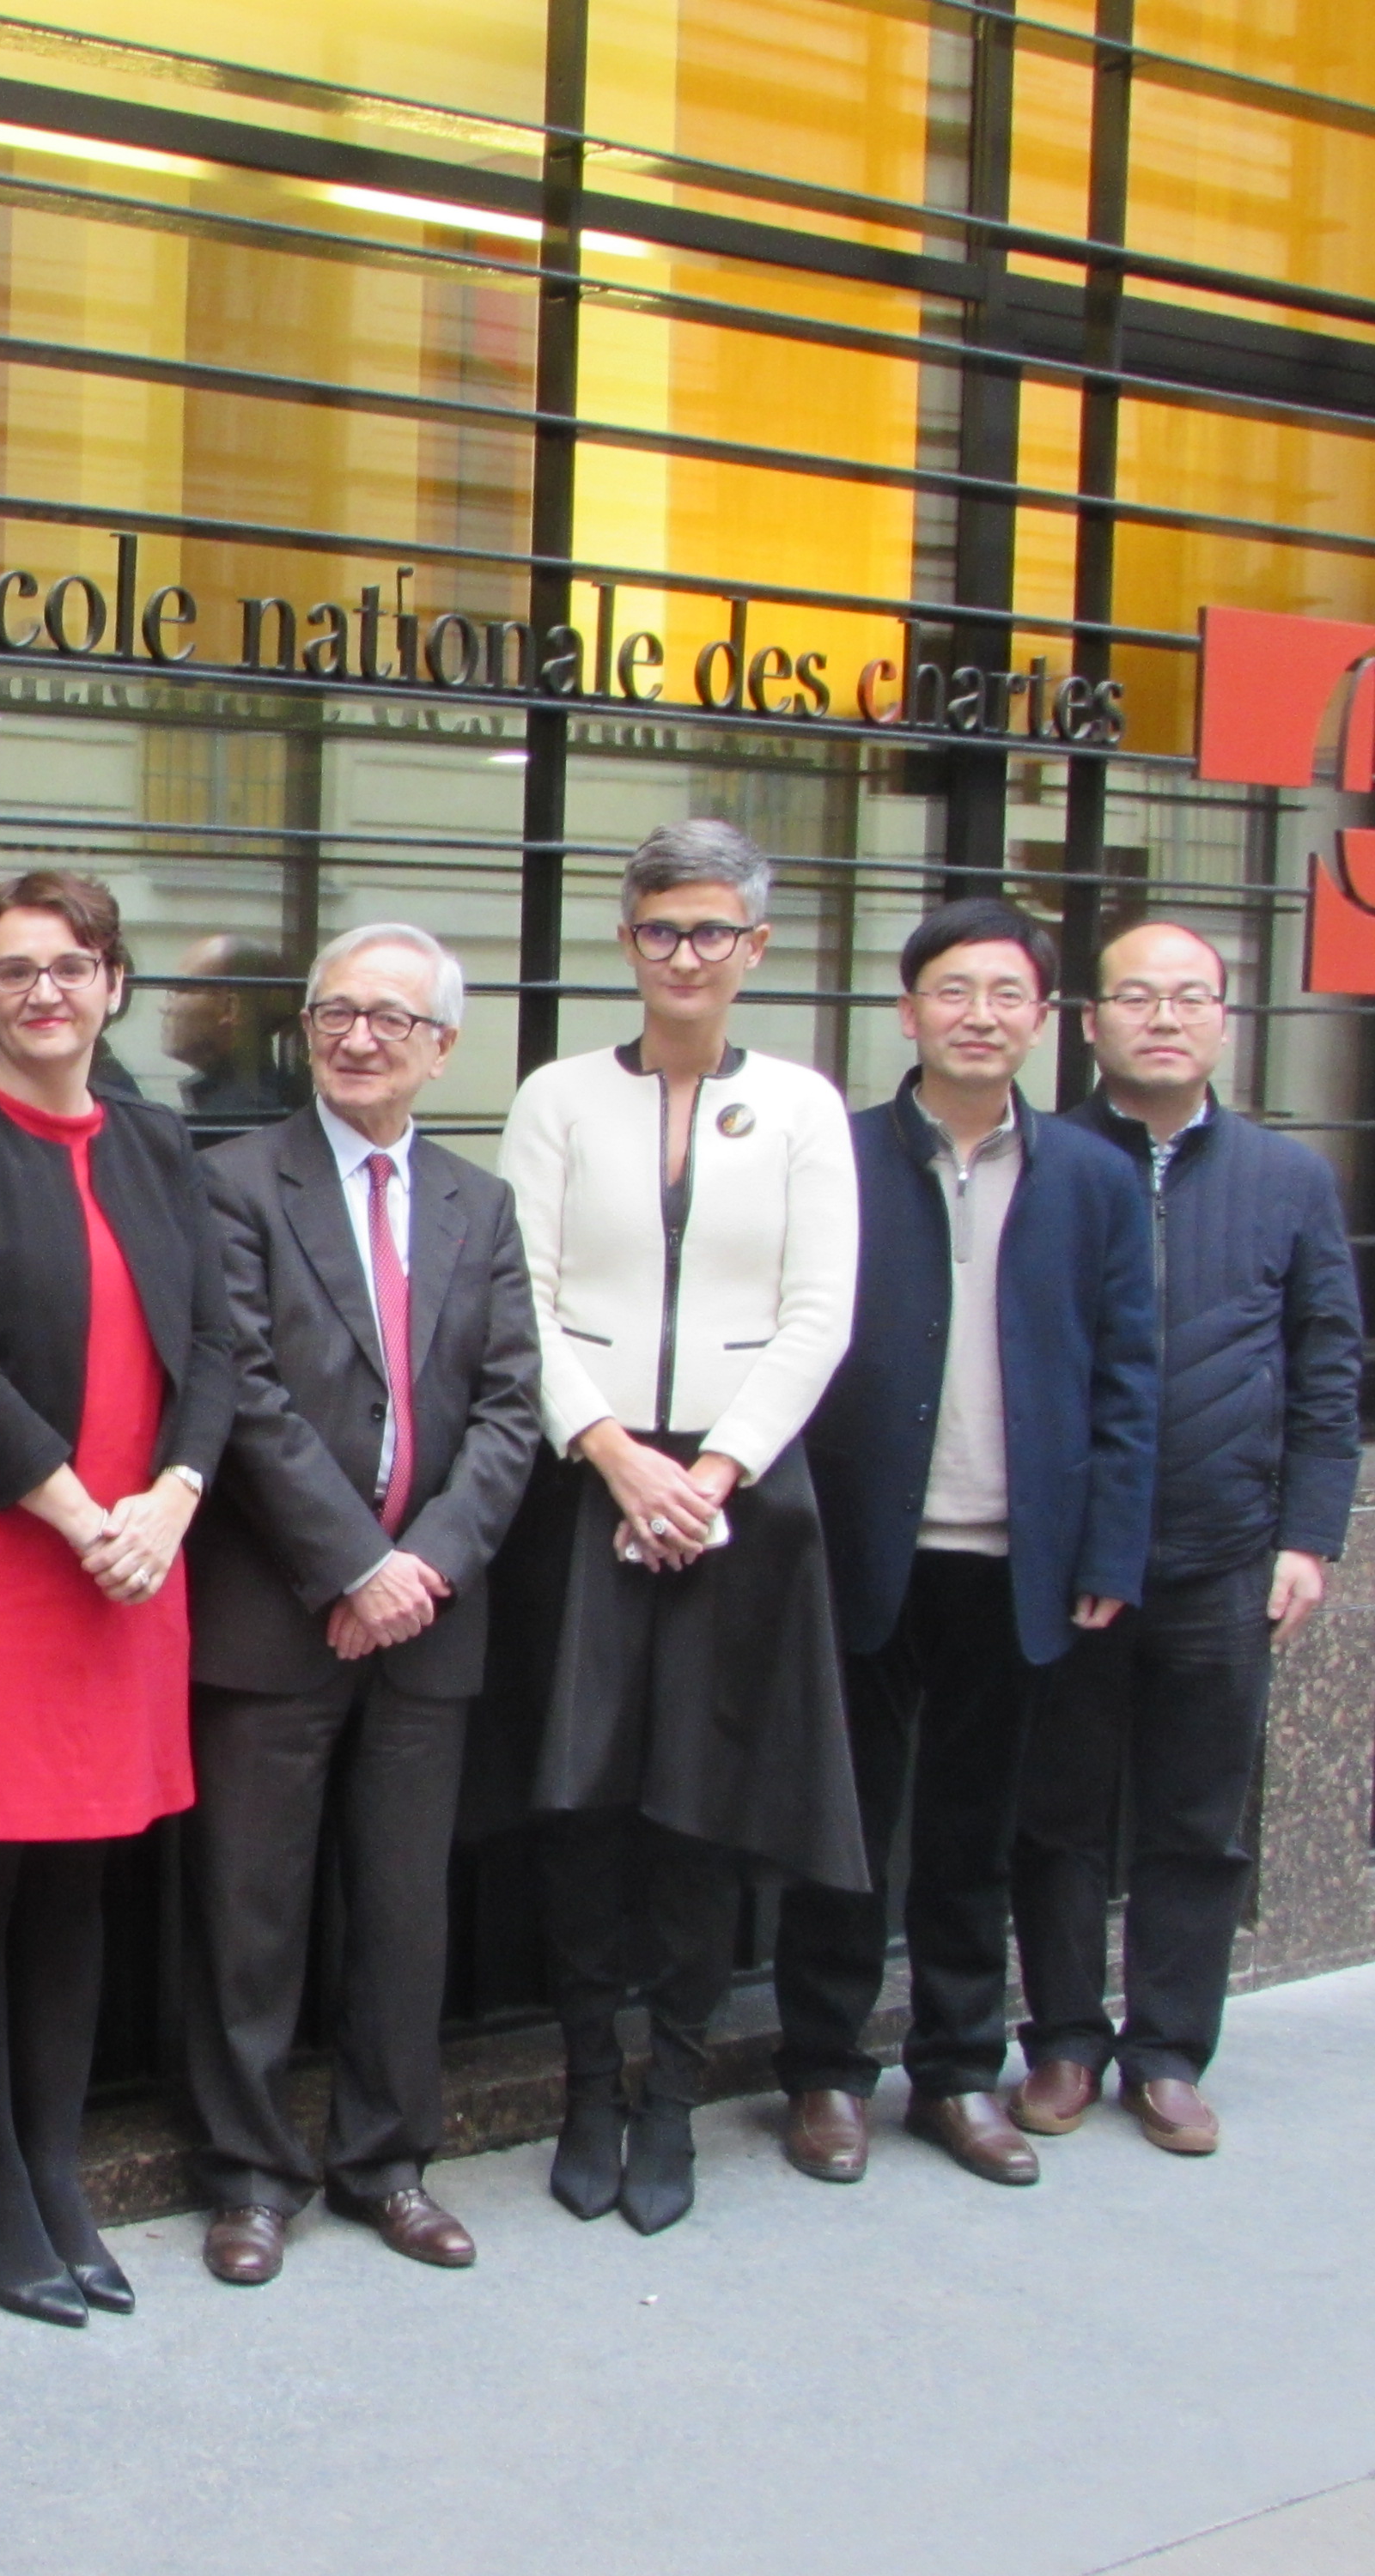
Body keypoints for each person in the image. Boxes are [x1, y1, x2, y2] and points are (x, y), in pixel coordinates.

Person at [0, 871, 236, 2324]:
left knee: (79, 1871)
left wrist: (171, 1502)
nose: (43, 993)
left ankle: (61, 2168)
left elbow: (214, 1346)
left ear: (115, 985)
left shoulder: (158, 1140)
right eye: (12, 970)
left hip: (135, 1550)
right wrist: (85, 1513)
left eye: (71, 966)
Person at [491, 817, 865, 2235]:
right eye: (662, 930)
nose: (688, 954)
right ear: (627, 942)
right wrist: (611, 1456)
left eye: (714, 931)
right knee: (584, 1804)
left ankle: (673, 2104)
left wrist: (710, 1475)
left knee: (702, 1814)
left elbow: (819, 1309)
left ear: (754, 949)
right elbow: (516, 1295)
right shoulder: (558, 1097)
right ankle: (590, 2083)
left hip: (743, 1505)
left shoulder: (809, 1108)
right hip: (586, 1495)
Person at [774, 899, 1159, 2185]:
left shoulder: (1095, 1179)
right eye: (953, 990)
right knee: (843, 1828)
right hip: (864, 1544)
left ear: (1043, 1021)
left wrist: (1107, 1551)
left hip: (1017, 1556)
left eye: (1006, 994)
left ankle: (953, 2072)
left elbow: (1127, 1377)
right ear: (908, 1011)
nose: (979, 1014)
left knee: (971, 1836)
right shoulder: (841, 1154)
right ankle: (824, 2071)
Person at [181, 924, 539, 2289]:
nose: (360, 1037)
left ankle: (388, 2163)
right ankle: (251, 2176)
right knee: (249, 1909)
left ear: (442, 1047)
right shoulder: (233, 1185)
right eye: (336, 1011)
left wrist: (421, 1571)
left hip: (430, 1619)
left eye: (393, 1018)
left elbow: (511, 1410)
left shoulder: (478, 1204)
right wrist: (353, 1566)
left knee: (403, 1908)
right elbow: (245, 1392)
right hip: (280, 1608)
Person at [1013, 923, 1360, 2153]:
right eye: (1136, 997)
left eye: (1191, 997)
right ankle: (1060, 2043)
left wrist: (1310, 1537)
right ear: (1091, 1021)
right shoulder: (1042, 1162)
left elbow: (1328, 1370)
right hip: (1061, 1563)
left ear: (1225, 1019)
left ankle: (1166, 2051)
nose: (1164, 1017)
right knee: (1053, 1813)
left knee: (1199, 1820)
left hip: (1224, 1558)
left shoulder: (1289, 1180)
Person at [163, 933, 305, 1126]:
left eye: (180, 990)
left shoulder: (247, 1113)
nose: (164, 1007)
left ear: (231, 1008)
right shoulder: (243, 1101)